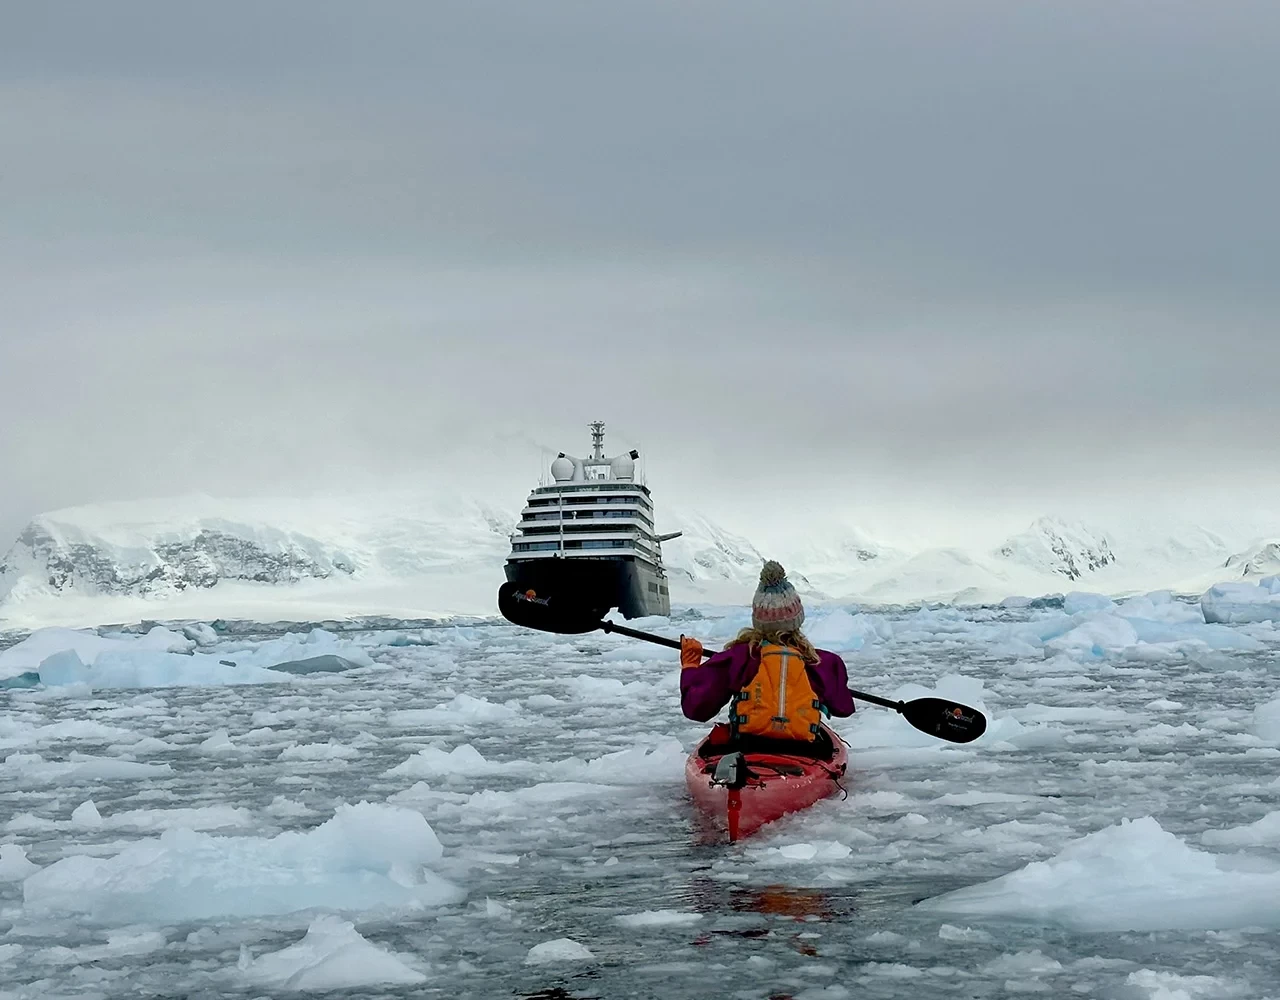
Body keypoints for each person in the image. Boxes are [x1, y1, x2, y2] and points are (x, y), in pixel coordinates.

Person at [679, 561, 854, 752]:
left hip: (747, 748)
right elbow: (843, 707)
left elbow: (696, 707)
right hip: (804, 751)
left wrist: (690, 667)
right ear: (797, 619)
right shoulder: (823, 663)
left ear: (757, 620)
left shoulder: (738, 658)